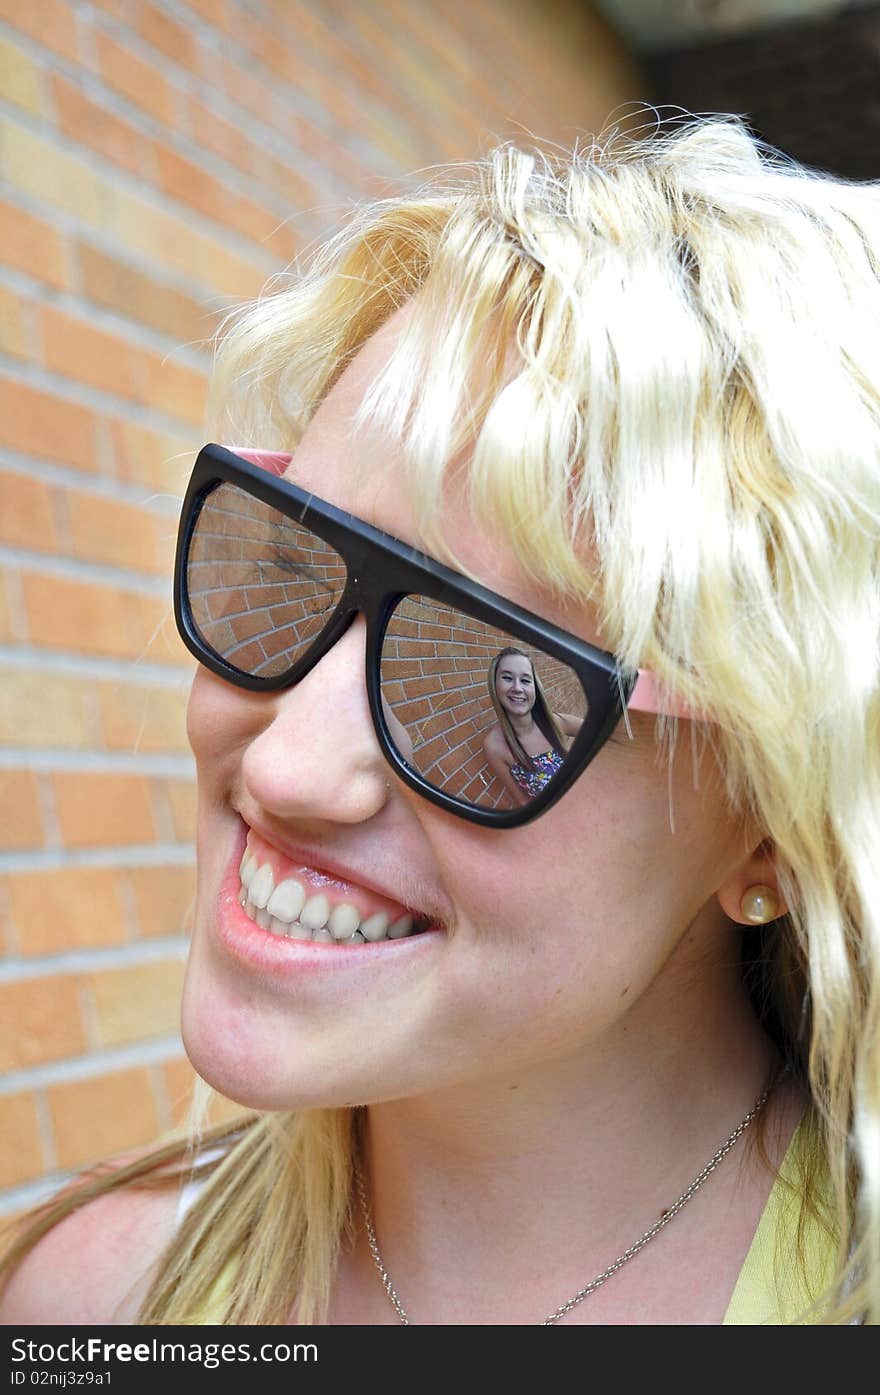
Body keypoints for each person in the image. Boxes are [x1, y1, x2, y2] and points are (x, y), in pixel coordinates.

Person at [1, 114, 877, 1326]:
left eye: (498, 675)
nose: (292, 766)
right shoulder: (91, 1305)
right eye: (291, 557)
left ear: (775, 822)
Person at [481, 646, 581, 805]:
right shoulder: (494, 746)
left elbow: (602, 734)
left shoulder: (555, 722)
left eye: (526, 680)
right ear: (494, 684)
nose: (517, 688)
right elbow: (523, 802)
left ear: (535, 688)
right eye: (507, 678)